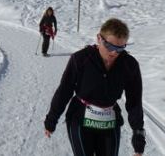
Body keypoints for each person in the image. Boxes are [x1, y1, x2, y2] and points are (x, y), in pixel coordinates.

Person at [44, 18, 146, 156]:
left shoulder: (129, 65)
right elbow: (64, 91)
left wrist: (138, 133)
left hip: (109, 122)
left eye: (120, 48)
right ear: (99, 38)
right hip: (80, 119)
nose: (114, 53)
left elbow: (134, 100)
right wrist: (52, 119)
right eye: (110, 46)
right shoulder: (80, 59)